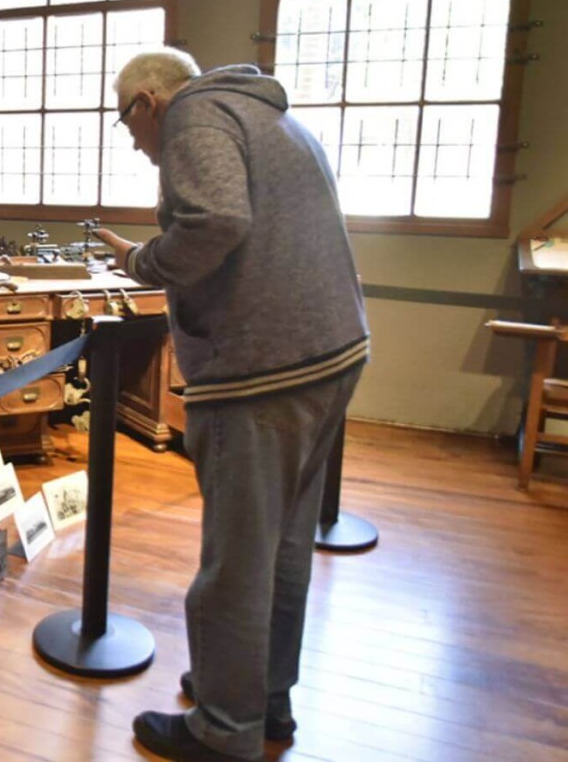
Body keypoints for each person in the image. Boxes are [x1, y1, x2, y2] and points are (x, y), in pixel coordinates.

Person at [94, 49, 369, 762]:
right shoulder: (268, 114)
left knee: (236, 563)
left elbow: (215, 221)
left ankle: (223, 729)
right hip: (330, 354)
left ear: (150, 101)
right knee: (282, 548)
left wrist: (141, 261)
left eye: (128, 121)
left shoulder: (194, 115)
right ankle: (262, 701)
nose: (132, 140)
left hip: (263, 370)